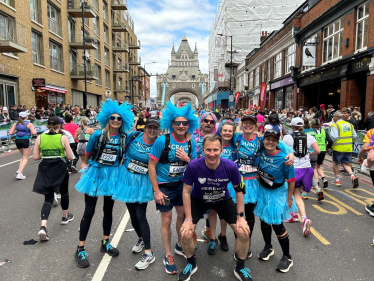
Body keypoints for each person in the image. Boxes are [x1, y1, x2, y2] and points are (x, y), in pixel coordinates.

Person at [179, 134, 252, 281]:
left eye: (215, 150)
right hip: (199, 200)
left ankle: (241, 267)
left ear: (221, 149)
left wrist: (241, 217)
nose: (212, 154)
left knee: (244, 232)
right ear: (203, 150)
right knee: (185, 233)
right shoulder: (193, 166)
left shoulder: (230, 166)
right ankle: (191, 263)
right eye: (208, 150)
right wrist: (188, 218)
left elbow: (239, 191)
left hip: (222, 199)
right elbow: (186, 191)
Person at [74, 100, 134, 268]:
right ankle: (80, 248)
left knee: (108, 210)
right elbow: (87, 150)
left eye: (119, 118)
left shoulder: (124, 137)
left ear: (123, 121)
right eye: (113, 117)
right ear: (108, 118)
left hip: (113, 175)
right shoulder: (97, 135)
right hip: (96, 173)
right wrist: (85, 164)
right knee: (89, 211)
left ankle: (105, 242)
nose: (116, 120)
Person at [148, 102, 198, 275]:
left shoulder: (192, 143)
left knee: (183, 216)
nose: (181, 125)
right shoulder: (163, 140)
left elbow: (196, 166)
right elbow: (152, 166)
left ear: (189, 124)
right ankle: (168, 254)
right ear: (172, 124)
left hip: (182, 186)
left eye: (184, 123)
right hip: (165, 187)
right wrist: (156, 191)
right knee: (167, 220)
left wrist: (187, 159)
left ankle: (179, 245)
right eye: (178, 123)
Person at [112, 118, 160, 270]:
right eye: (150, 127)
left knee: (140, 215)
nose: (152, 130)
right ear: (145, 128)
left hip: (143, 183)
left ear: (158, 129)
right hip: (127, 180)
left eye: (155, 128)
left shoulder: (158, 143)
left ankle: (149, 252)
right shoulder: (134, 136)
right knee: (132, 215)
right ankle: (140, 238)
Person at [253, 129, 296, 273]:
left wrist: (289, 198)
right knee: (264, 221)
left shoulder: (285, 159)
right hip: (263, 191)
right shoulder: (262, 152)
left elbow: (291, 180)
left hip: (278, 193)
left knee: (278, 225)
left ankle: (287, 257)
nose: (270, 142)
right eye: (267, 139)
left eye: (273, 140)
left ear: (278, 142)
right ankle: (268, 247)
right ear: (263, 140)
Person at [32, 116, 74, 241]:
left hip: (45, 168)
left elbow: (35, 157)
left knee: (48, 198)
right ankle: (64, 217)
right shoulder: (63, 137)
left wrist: (45, 153)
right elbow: (70, 156)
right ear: (59, 126)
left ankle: (43, 227)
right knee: (64, 192)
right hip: (60, 168)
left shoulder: (40, 137)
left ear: (47, 126)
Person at [283, 117, 320, 236]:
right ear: (303, 126)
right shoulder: (310, 137)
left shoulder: (288, 137)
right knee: (297, 194)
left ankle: (292, 215)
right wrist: (309, 155)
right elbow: (318, 151)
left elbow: (282, 151)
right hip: (306, 169)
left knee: (289, 192)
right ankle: (304, 218)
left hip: (293, 169)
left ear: (292, 127)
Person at [329, 111, 358, 188]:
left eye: (333, 117)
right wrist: (351, 143)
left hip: (338, 147)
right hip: (348, 147)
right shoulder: (350, 125)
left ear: (336, 117)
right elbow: (355, 136)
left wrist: (331, 144)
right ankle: (352, 176)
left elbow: (334, 137)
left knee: (335, 163)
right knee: (345, 163)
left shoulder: (335, 126)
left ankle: (337, 180)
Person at [8, 111, 37, 179]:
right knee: (26, 158)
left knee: (23, 156)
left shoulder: (16, 124)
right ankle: (20, 173)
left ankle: (19, 170)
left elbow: (10, 133)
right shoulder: (29, 124)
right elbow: (34, 133)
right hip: (26, 140)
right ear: (26, 116)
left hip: (17, 140)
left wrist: (17, 131)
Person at [311, 118, 333, 189]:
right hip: (323, 151)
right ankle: (324, 178)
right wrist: (327, 148)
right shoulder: (324, 131)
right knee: (318, 166)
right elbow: (330, 141)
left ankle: (317, 182)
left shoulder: (311, 132)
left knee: (314, 167)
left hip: (315, 151)